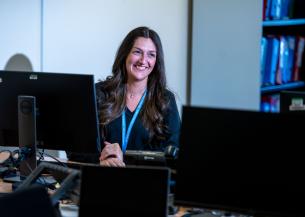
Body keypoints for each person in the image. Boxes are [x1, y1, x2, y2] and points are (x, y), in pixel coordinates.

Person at [96, 26, 180, 167]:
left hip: (147, 183)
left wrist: (129, 159)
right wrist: (100, 160)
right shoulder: (99, 93)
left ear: (156, 61)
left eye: (151, 55)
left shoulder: (165, 99)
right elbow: (78, 149)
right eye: (137, 52)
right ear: (125, 55)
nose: (143, 60)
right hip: (102, 179)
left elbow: (174, 154)